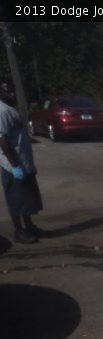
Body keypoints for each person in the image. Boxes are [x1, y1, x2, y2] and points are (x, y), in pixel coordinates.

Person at [0, 79, 43, 244]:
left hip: (24, 163)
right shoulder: (2, 111)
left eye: (12, 91)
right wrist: (15, 166)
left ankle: (29, 227)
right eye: (7, 91)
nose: (11, 94)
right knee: (16, 199)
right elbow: (2, 140)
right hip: (12, 166)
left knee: (27, 198)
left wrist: (27, 164)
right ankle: (19, 232)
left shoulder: (12, 109)